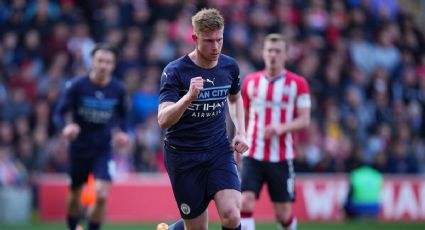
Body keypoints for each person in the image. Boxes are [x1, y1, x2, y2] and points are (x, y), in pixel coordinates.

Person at [157, 8, 249, 230]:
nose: (216, 47)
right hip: (184, 156)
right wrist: (188, 97)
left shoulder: (229, 67)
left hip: (218, 149)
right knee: (198, 227)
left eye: (219, 39)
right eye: (209, 41)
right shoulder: (175, 71)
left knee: (232, 215)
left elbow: (235, 99)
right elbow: (163, 119)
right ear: (195, 38)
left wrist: (241, 132)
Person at [53, 43, 129, 230]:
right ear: (92, 62)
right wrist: (66, 127)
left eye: (108, 62)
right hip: (79, 148)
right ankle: (74, 227)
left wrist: (122, 133)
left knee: (102, 195)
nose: (104, 65)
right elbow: (58, 113)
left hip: (103, 148)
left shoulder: (118, 89)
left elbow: (124, 117)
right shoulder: (77, 86)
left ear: (114, 65)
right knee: (74, 195)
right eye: (100, 61)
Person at [239, 34, 311, 230]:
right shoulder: (250, 82)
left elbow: (305, 119)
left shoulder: (298, 83)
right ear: (263, 53)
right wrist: (239, 141)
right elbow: (242, 115)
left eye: (277, 51)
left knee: (283, 214)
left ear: (286, 55)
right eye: (269, 50)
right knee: (245, 202)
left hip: (281, 157)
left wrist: (280, 128)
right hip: (252, 154)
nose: (273, 55)